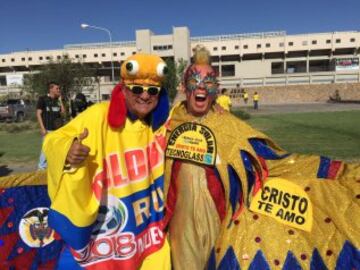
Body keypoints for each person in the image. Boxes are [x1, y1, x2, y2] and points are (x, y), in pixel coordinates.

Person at [163, 46, 360, 269]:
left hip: (217, 225)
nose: (201, 87)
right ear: (183, 86)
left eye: (208, 82)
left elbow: (275, 160)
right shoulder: (168, 124)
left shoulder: (230, 127)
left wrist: (333, 170)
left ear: (216, 89)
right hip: (177, 230)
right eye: (195, 80)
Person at [43, 54, 171, 269]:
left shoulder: (161, 126)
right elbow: (53, 139)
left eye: (153, 91)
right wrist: (69, 149)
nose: (145, 96)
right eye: (137, 89)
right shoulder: (98, 115)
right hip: (108, 236)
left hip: (148, 234)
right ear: (123, 90)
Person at [36, 82, 65, 170]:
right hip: (47, 129)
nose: (59, 90)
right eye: (57, 88)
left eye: (59, 88)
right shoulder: (43, 99)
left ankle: (54, 167)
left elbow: (63, 112)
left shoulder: (57, 100)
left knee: (57, 149)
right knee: (46, 149)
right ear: (51, 89)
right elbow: (38, 113)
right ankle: (41, 168)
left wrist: (60, 100)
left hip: (57, 130)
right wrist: (42, 128)